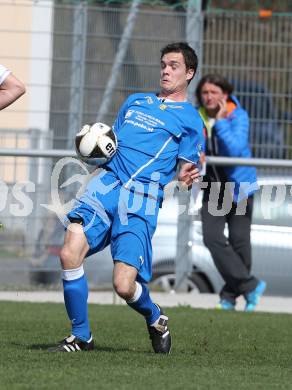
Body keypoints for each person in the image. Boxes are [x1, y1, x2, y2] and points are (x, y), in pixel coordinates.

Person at [49, 42, 204, 353]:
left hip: (141, 199)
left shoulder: (190, 120)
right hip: (105, 186)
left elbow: (186, 168)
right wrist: (94, 147)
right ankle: (81, 336)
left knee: (123, 285)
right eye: (163, 64)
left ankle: (155, 316)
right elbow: (112, 145)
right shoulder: (135, 102)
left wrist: (186, 177)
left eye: (173, 65)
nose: (165, 70)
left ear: (189, 73)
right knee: (69, 253)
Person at [195, 74, 266, 312]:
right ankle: (250, 285)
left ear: (224, 95)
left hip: (240, 187)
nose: (208, 97)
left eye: (214, 92)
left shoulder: (238, 115)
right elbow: (193, 147)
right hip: (213, 189)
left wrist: (222, 122)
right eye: (205, 93)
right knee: (211, 237)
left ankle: (228, 296)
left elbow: (235, 148)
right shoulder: (198, 117)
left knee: (239, 242)